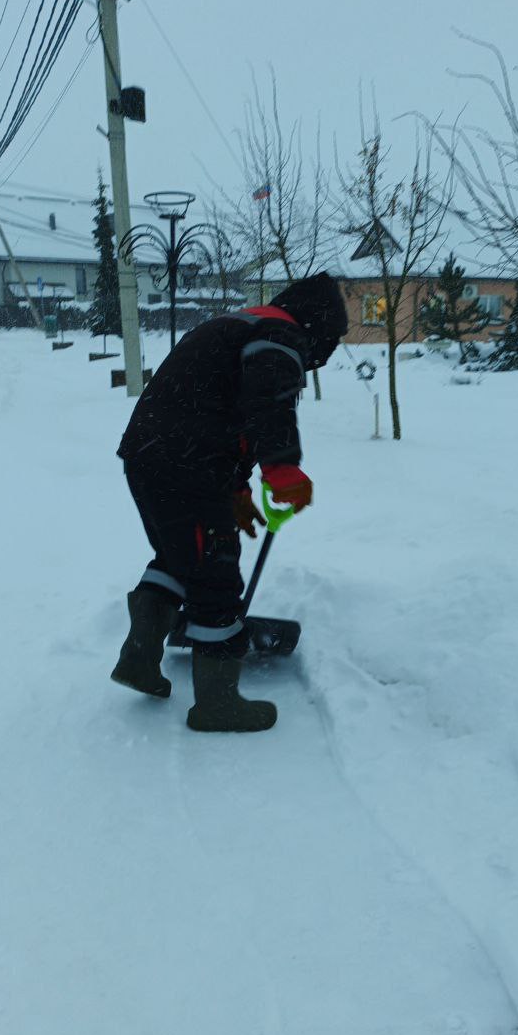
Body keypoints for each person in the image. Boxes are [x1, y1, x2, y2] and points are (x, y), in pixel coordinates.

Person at [111, 272, 348, 733]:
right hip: (188, 465)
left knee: (179, 558)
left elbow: (217, 414)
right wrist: (283, 470)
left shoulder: (239, 326)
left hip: (149, 458)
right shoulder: (278, 335)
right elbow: (269, 403)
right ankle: (217, 705)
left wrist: (237, 491)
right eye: (330, 341)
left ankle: (138, 661)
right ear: (316, 326)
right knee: (215, 575)